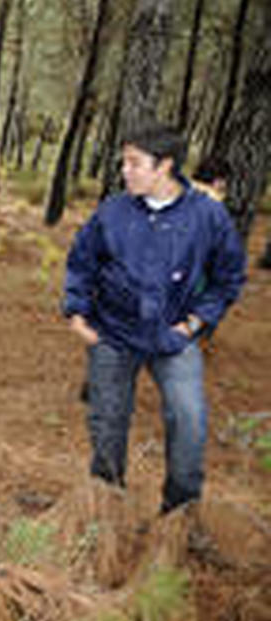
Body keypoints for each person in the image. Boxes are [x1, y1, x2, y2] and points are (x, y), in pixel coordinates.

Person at [64, 124, 246, 515]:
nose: (124, 171)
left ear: (164, 166)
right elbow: (82, 261)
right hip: (112, 335)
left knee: (189, 420)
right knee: (107, 426)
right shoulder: (113, 211)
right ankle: (107, 510)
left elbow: (228, 278)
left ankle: (179, 515)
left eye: (134, 163)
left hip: (172, 337)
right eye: (123, 162)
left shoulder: (207, 215)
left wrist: (195, 323)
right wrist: (77, 314)